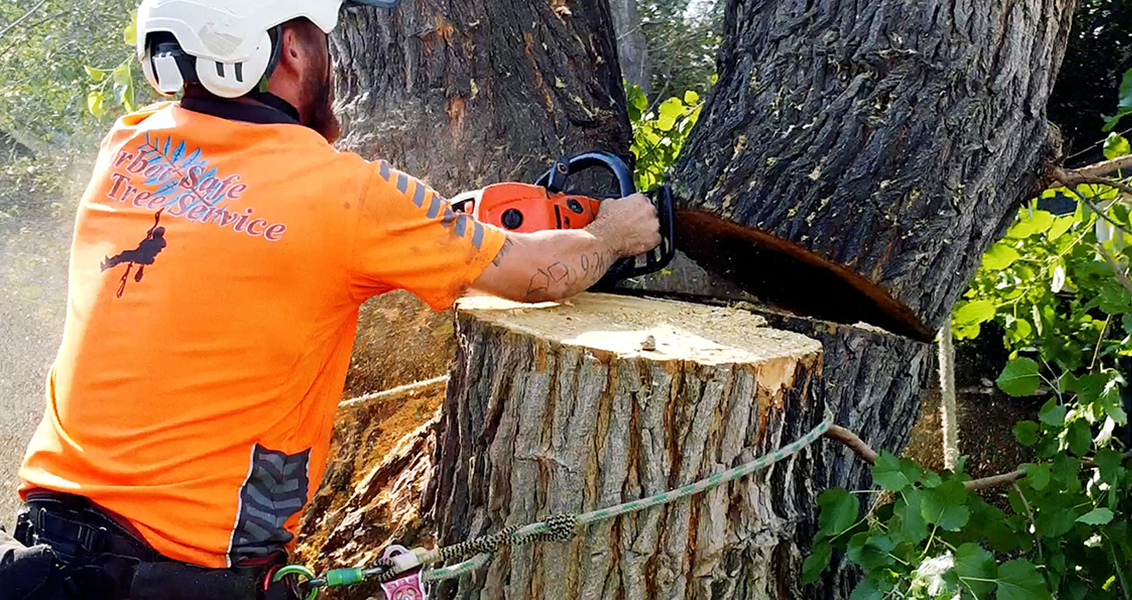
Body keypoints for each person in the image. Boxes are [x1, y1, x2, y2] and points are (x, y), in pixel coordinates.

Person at [0, 1, 661, 598]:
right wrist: (613, 231)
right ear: (289, 47)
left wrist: (440, 228)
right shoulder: (347, 194)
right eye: (319, 35)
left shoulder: (127, 147)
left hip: (41, 557)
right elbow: (539, 276)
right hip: (181, 579)